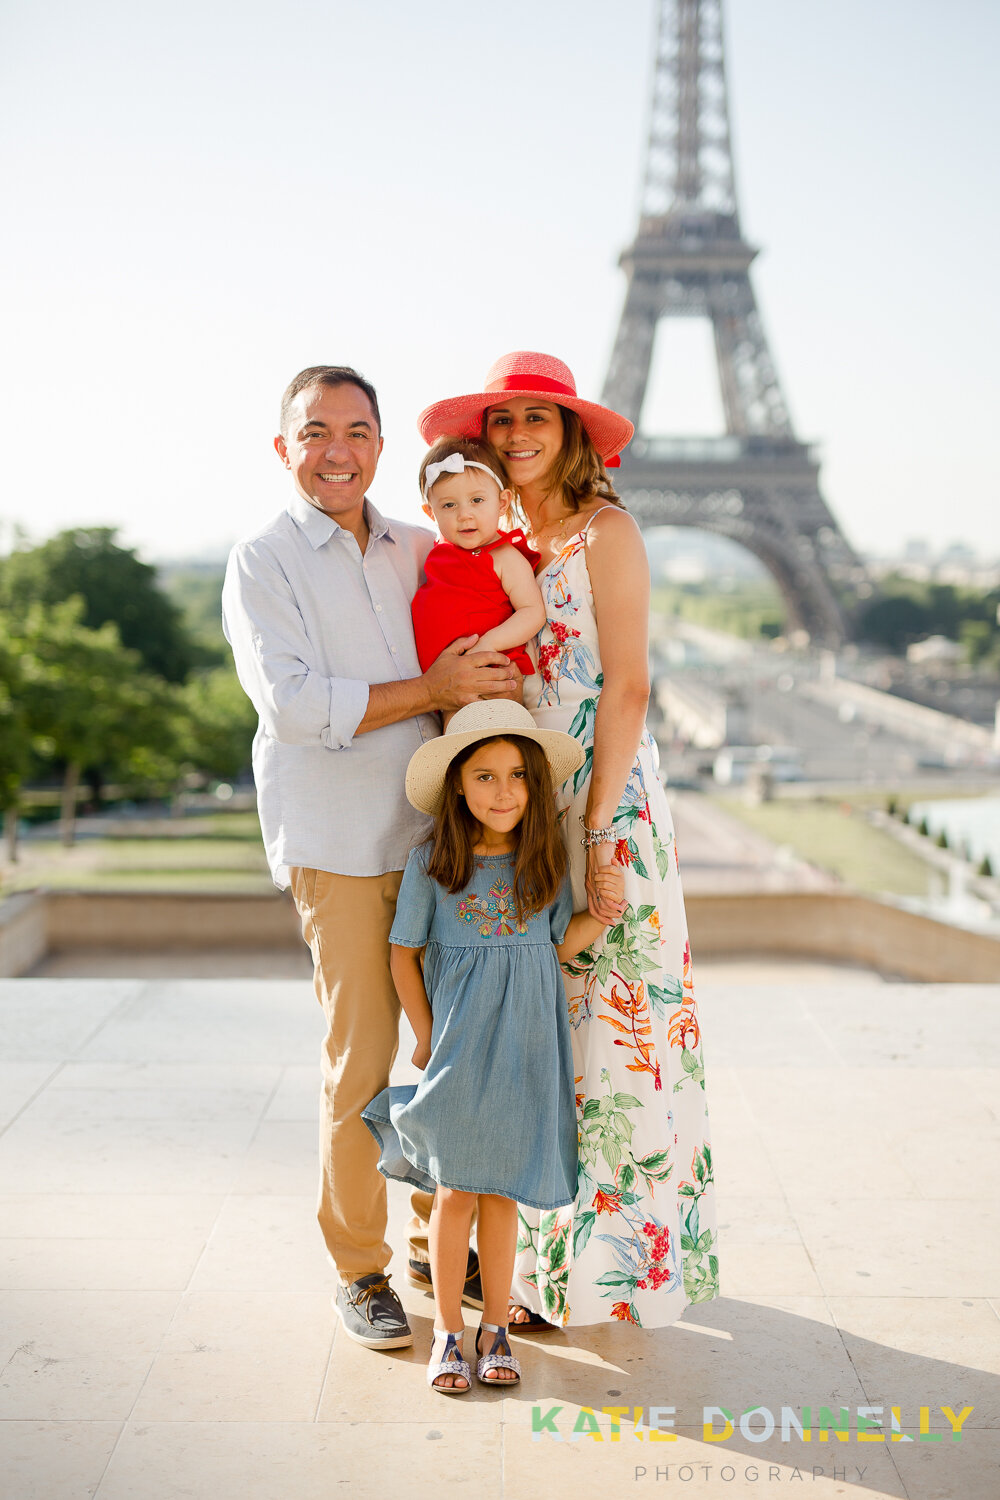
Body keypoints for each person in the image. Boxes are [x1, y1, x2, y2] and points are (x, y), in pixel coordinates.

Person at [418, 351, 719, 1330]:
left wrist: (597, 832)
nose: (516, 435)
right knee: (539, 1033)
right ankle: (539, 1275)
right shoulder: (505, 543)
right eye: (500, 422)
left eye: (535, 418)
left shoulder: (607, 532)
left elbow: (626, 684)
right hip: (524, 799)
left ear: (574, 431)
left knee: (609, 1031)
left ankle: (612, 1272)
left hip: (603, 801)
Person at [221, 365, 519, 1351]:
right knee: (364, 1063)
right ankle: (362, 1269)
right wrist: (427, 682)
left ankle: (459, 1251)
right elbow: (297, 708)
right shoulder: (262, 562)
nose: (336, 449)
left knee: (461, 1057)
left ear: (383, 445)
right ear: (284, 447)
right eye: (315, 432)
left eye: (356, 429)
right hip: (341, 848)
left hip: (443, 846)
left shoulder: (427, 545)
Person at [362, 701, 626, 1393]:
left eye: (516, 775)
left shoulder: (541, 861)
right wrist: (424, 1035)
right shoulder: (434, 862)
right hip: (458, 1046)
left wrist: (598, 918)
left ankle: (495, 1328)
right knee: (454, 1192)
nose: (503, 791)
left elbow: (554, 948)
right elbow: (402, 955)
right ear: (457, 784)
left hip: (527, 1049)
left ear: (535, 784)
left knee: (501, 1196)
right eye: (484, 776)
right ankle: (449, 1331)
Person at [412, 437, 547, 722]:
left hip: (491, 676)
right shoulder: (437, 555)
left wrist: (487, 645)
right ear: (430, 512)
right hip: (445, 686)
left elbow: (532, 612)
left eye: (477, 500)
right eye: (448, 505)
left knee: (494, 746)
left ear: (502, 502)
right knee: (460, 754)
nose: (464, 514)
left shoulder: (503, 556)